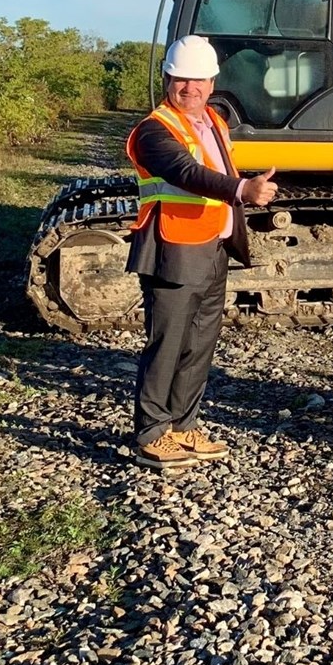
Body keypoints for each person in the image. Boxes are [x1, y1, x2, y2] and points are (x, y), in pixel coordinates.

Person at [126, 35, 279, 470]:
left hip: (212, 247)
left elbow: (213, 171)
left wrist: (238, 189)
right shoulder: (154, 130)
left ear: (212, 83)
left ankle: (183, 425)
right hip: (173, 248)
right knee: (167, 343)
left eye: (198, 79)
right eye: (181, 79)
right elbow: (186, 172)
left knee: (199, 344)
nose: (189, 88)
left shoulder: (214, 121)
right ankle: (151, 432)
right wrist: (242, 189)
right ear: (167, 79)